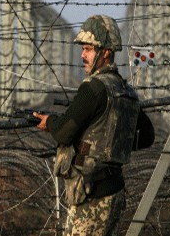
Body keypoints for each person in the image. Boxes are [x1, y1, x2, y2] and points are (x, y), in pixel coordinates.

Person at [33, 15, 140, 236]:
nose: (83, 55)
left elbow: (63, 132)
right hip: (113, 190)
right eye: (83, 49)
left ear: (106, 52)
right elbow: (144, 135)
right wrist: (111, 140)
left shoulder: (94, 89)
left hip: (92, 196)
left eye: (89, 49)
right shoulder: (125, 90)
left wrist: (49, 122)